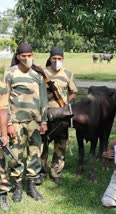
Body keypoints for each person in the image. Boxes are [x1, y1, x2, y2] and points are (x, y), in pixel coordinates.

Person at [4, 42, 48, 202]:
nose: (28, 58)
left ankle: (31, 186)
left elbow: (43, 99)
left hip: (34, 123)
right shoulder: (9, 73)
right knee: (16, 155)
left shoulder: (38, 75)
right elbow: (5, 99)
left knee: (35, 154)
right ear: (18, 57)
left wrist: (44, 121)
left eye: (30, 55)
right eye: (24, 56)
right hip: (16, 122)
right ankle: (17, 187)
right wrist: (8, 123)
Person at [40, 47, 78, 185]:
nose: (57, 61)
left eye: (59, 59)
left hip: (61, 115)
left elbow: (73, 91)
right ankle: (41, 172)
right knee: (42, 144)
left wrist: (68, 101)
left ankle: (56, 173)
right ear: (50, 58)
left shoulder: (67, 73)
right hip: (44, 115)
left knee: (60, 145)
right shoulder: (42, 72)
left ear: (63, 59)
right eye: (54, 58)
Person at [0, 80, 10, 211]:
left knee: (0, 163)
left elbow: (2, 111)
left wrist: (4, 134)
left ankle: (2, 193)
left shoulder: (1, 86)